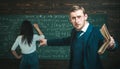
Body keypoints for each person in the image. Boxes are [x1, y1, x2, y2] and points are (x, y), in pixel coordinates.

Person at [40, 5, 118, 69]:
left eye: (79, 17)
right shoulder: (74, 31)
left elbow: (114, 46)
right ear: (70, 20)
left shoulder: (96, 31)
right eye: (73, 18)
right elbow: (65, 40)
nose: (77, 21)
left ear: (85, 16)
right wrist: (47, 42)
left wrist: (112, 44)